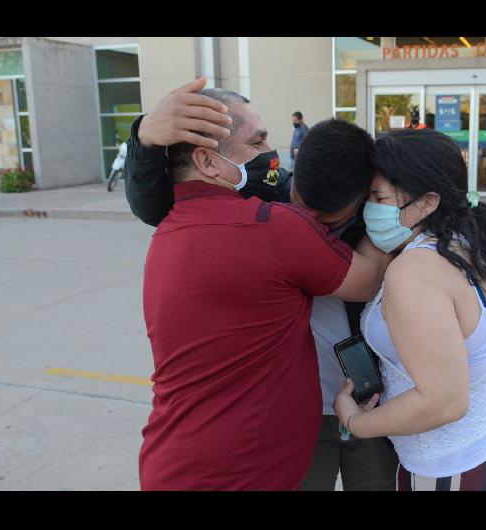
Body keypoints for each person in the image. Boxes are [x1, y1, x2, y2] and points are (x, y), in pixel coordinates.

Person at [125, 77, 400, 491]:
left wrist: (387, 212)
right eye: (257, 142)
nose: (268, 154)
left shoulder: (380, 212)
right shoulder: (269, 205)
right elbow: (157, 200)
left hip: (374, 398)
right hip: (302, 421)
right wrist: (144, 140)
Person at [333, 128, 486, 491]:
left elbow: (443, 402)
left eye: (378, 197)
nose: (368, 210)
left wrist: (355, 423)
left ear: (427, 202)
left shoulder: (415, 273)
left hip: (454, 465)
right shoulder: (470, 237)